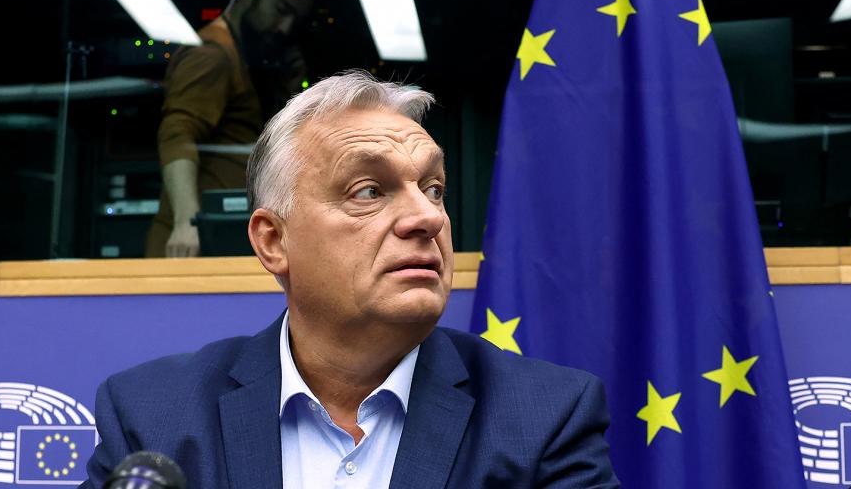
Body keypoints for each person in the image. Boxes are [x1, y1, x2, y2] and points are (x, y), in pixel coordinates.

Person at [86, 72, 620, 489]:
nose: (428, 218)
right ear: (273, 241)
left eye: (434, 189)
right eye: (369, 191)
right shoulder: (153, 419)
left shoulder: (546, 417)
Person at [147, 0, 315, 258]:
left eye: (294, 18)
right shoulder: (213, 54)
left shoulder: (245, 57)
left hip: (223, 236)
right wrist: (188, 223)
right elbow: (177, 134)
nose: (285, 27)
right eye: (280, 9)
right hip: (194, 245)